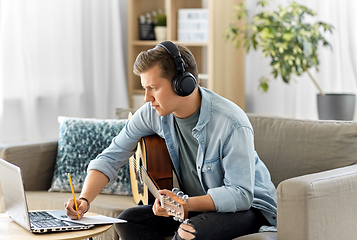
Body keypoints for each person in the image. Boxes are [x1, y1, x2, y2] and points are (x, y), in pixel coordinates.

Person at [65, 41, 277, 240]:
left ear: (182, 84)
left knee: (188, 232)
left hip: (248, 209)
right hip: (193, 204)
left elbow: (241, 194)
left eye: (154, 88)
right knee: (128, 220)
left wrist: (185, 204)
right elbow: (113, 155)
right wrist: (84, 200)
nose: (147, 98)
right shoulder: (153, 112)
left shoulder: (231, 122)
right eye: (145, 88)